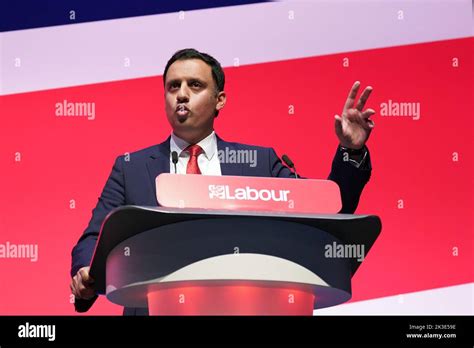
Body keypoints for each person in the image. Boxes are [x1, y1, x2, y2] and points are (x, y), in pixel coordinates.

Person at [70, 48, 376, 315]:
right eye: (173, 86)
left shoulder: (260, 163)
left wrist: (352, 149)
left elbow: (327, 211)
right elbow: (92, 239)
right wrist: (84, 271)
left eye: (195, 85)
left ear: (220, 100)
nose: (182, 94)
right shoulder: (131, 167)